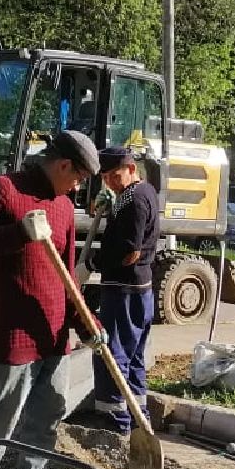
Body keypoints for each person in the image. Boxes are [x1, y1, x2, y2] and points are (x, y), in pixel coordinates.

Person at [0, 129, 99, 469]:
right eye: (78, 177)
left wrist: (86, 325)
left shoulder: (64, 208)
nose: (77, 188)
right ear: (63, 165)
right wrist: (18, 233)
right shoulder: (4, 189)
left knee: (45, 422)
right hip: (15, 336)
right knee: (0, 421)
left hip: (54, 337)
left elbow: (67, 278)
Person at [90, 147, 161, 433]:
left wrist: (93, 263)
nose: (110, 182)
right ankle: (138, 419)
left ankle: (115, 423)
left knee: (113, 355)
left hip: (125, 289)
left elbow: (129, 251)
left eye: (115, 175)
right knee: (133, 359)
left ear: (131, 168)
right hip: (137, 289)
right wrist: (110, 212)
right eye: (105, 177)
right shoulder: (139, 193)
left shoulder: (135, 200)